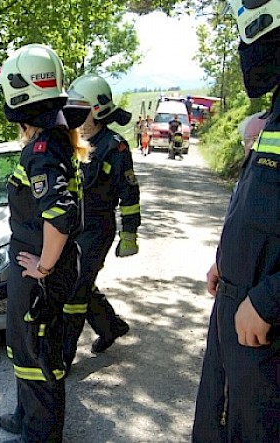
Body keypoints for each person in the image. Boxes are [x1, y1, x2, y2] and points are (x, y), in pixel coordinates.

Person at [192, 0, 280, 441]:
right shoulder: (276, 113)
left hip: (264, 325)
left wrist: (269, 299)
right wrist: (226, 260)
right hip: (236, 304)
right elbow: (261, 204)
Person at [0, 43, 89, 443]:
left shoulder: (42, 148)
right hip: (41, 265)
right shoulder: (54, 139)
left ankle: (41, 433)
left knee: (38, 352)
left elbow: (60, 213)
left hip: (42, 271)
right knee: (27, 345)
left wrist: (45, 268)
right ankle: (25, 415)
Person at [60, 74, 140, 374]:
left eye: (78, 107)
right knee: (78, 281)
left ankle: (62, 358)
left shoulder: (114, 146)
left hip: (98, 230)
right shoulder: (73, 140)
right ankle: (111, 326)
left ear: (94, 110)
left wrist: (129, 232)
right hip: (72, 228)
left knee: (74, 291)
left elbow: (129, 192)